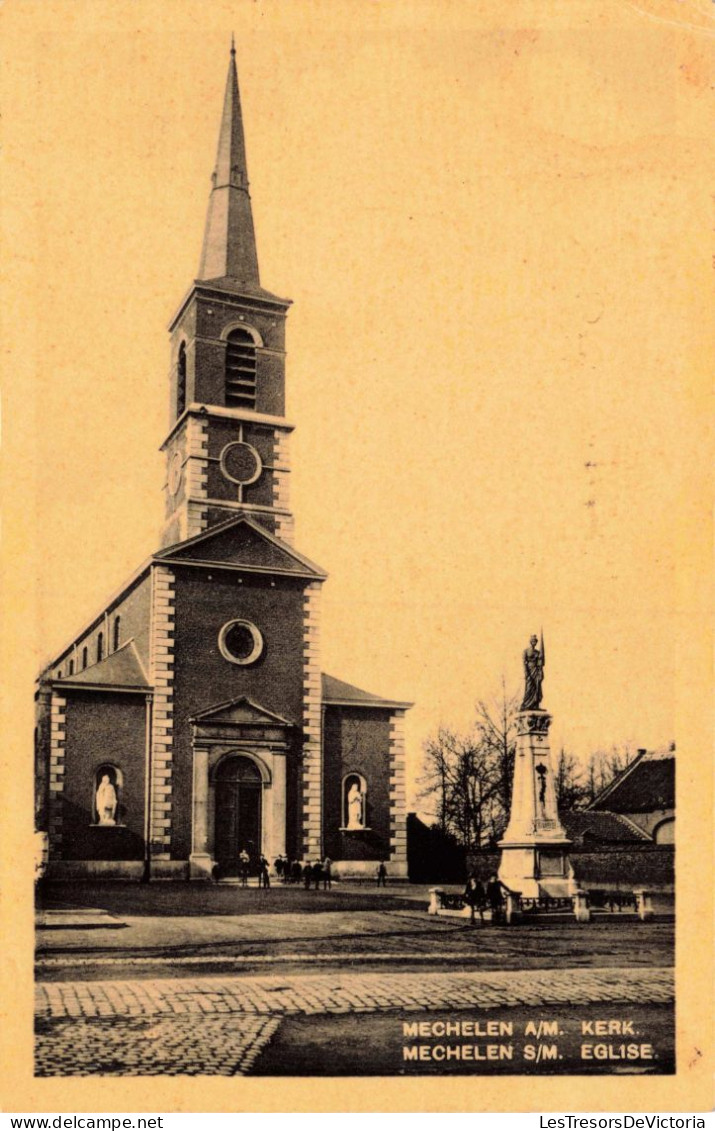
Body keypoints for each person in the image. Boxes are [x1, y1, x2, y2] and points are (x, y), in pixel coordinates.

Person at [521, 634, 544, 710]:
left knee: (537, 687)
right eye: (533, 641)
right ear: (530, 642)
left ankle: (535, 705)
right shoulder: (526, 651)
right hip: (529, 671)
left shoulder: (538, 652)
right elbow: (524, 662)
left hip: (536, 671)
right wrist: (526, 672)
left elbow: (540, 664)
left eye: (535, 641)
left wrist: (541, 673)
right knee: (529, 687)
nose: (534, 642)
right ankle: (526, 705)